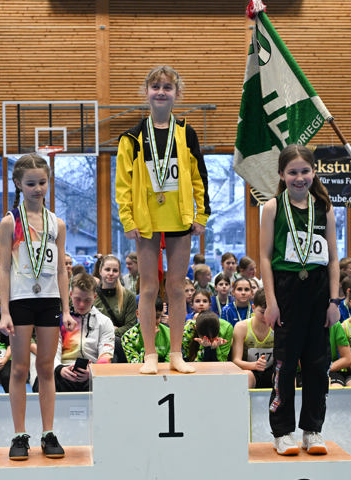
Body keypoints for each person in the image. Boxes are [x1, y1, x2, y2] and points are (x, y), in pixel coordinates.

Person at [115, 65, 210, 374]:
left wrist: (201, 214)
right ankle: (150, 354)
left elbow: (199, 177)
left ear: (177, 94)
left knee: (177, 288)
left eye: (167, 87)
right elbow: (122, 184)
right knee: (148, 288)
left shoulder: (186, 133)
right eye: (155, 86)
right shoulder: (131, 137)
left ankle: (176, 353)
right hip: (146, 221)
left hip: (179, 218)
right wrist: (128, 219)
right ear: (146, 92)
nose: (160, 92)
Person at [259, 144, 341, 456]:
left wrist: (334, 301)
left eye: (305, 171)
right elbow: (264, 258)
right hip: (286, 290)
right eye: (292, 172)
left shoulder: (324, 207)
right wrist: (271, 301)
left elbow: (334, 258)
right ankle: (282, 432)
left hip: (318, 291)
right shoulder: (272, 207)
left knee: (318, 366)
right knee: (284, 365)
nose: (299, 177)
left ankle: (312, 430)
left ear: (314, 172)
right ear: (282, 174)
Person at [0, 153, 75, 460]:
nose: (37, 189)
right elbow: (4, 268)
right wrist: (4, 311)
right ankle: (19, 435)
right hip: (20, 301)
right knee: (19, 368)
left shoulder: (57, 224)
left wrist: (66, 309)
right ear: (18, 184)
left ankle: (48, 432)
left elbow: (62, 271)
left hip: (49, 300)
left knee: (45, 367)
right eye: (30, 184)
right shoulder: (10, 222)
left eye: (42, 182)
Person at [54, 273, 115, 392]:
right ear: (70, 295)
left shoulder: (105, 322)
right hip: (63, 371)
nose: (82, 304)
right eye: (77, 299)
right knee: (44, 380)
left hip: (93, 372)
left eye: (87, 300)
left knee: (107, 382)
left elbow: (106, 354)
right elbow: (52, 353)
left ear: (95, 297)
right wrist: (60, 369)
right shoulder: (60, 321)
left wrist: (93, 372)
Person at [231, 289, 274, 388]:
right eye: (262, 312)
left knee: (285, 375)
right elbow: (236, 361)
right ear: (253, 308)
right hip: (250, 371)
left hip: (271, 372)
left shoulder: (277, 327)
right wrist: (255, 365)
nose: (266, 317)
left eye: (270, 312)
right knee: (247, 376)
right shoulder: (241, 327)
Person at [93, 254, 138, 338]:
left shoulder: (129, 296)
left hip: (119, 342)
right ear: (100, 271)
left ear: (119, 273)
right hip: (95, 341)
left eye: (115, 270)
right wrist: (111, 330)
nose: (111, 273)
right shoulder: (92, 295)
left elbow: (131, 327)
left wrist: (110, 331)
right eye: (107, 269)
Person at [122, 296, 170, 363]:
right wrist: (149, 342)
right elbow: (136, 365)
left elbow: (169, 364)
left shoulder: (169, 333)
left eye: (157, 317)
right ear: (138, 314)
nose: (152, 322)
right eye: (148, 317)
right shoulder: (128, 337)